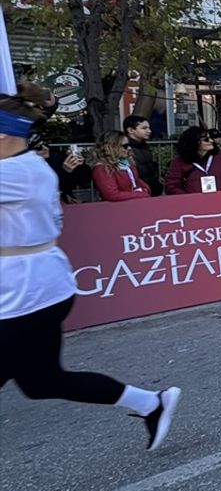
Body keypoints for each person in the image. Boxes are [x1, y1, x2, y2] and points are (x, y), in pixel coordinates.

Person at [0, 85, 180, 450]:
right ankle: (150, 402)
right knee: (41, 383)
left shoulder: (15, 174)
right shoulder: (29, 164)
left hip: (24, 293)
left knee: (42, 380)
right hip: (39, 287)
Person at [165, 126, 221, 194]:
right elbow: (172, 186)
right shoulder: (179, 162)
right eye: (206, 139)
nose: (211, 141)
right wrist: (188, 199)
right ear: (194, 142)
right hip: (193, 205)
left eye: (211, 138)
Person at [90, 130, 151, 201]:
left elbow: (137, 181)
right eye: (125, 146)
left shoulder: (127, 163)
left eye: (129, 145)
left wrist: (145, 189)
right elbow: (112, 195)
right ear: (111, 147)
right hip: (117, 209)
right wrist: (141, 194)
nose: (129, 148)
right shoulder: (101, 169)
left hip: (133, 203)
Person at [122, 115, 162, 197]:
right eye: (144, 128)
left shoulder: (144, 146)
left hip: (151, 188)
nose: (149, 131)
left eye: (148, 128)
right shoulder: (125, 148)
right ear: (130, 130)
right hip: (137, 190)